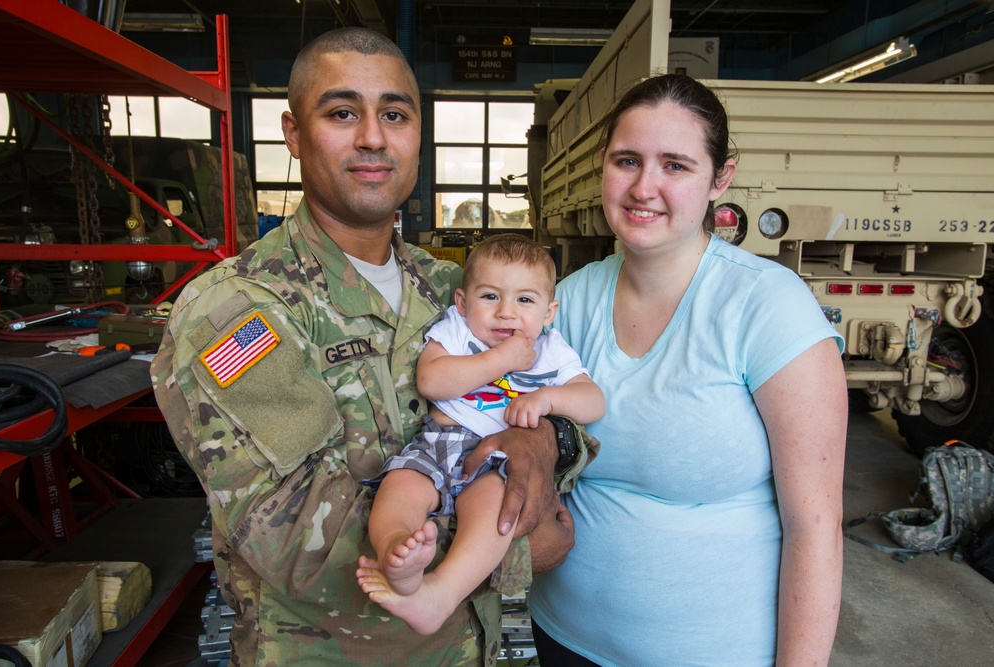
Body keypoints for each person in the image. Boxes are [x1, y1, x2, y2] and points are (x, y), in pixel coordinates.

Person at [150, 28, 596, 666]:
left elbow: (562, 404)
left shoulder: (456, 288)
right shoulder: (238, 312)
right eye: (340, 113)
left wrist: (542, 438)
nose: (372, 137)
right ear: (294, 133)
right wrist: (518, 547)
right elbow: (296, 537)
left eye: (394, 114)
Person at [523, 73, 848, 666]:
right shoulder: (567, 302)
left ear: (719, 179)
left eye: (675, 165)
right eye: (627, 161)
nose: (644, 187)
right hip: (564, 639)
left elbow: (817, 527)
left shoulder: (766, 305)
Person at [355, 234, 606, 635]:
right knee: (400, 486)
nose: (506, 312)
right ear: (462, 303)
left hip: (494, 459)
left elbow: (594, 402)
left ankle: (441, 591)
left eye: (525, 300)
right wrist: (498, 360)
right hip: (439, 440)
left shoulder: (551, 349)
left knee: (494, 509)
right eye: (490, 297)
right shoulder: (456, 330)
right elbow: (432, 379)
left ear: (548, 312)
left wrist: (548, 399)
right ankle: (398, 553)